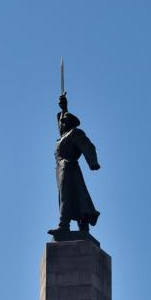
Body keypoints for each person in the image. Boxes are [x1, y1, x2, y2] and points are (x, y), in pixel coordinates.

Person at [48, 93, 100, 236]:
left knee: (68, 196)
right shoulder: (63, 136)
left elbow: (88, 146)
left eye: (64, 121)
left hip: (68, 167)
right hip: (60, 168)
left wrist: (92, 162)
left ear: (70, 123)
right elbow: (61, 123)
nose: (61, 123)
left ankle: (63, 225)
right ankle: (83, 225)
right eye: (61, 121)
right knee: (74, 197)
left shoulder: (75, 133)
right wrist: (64, 108)